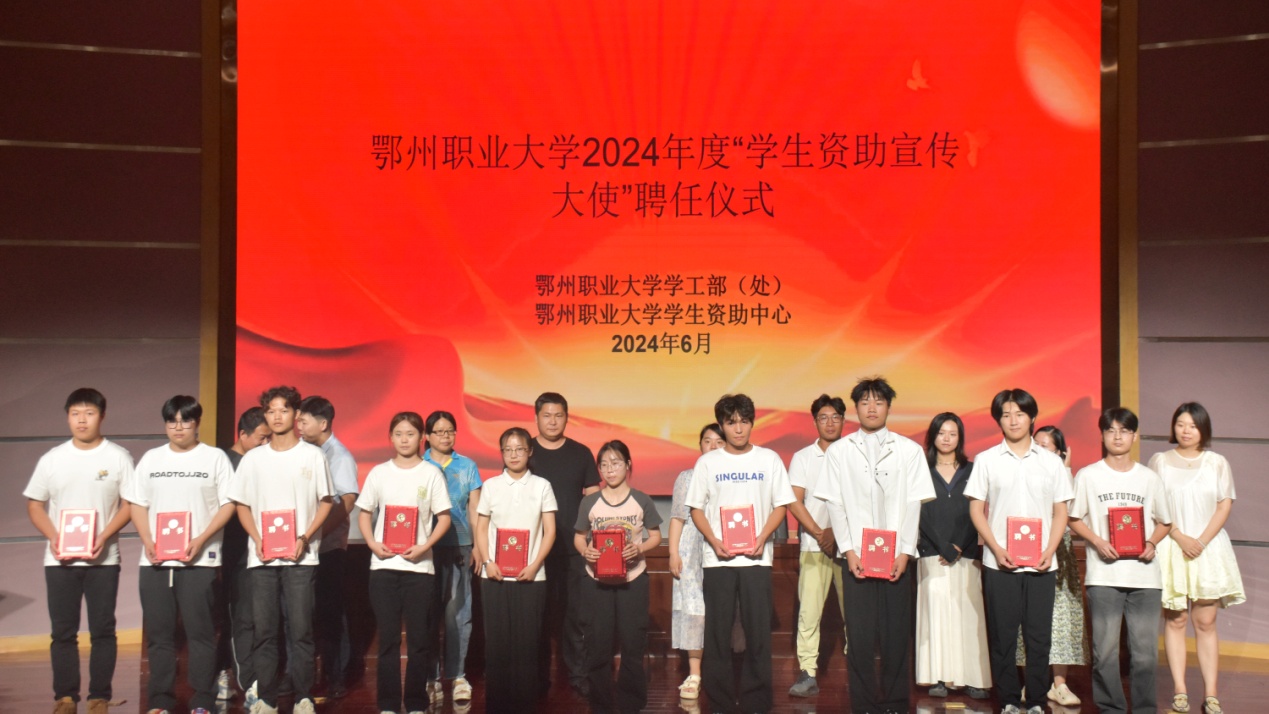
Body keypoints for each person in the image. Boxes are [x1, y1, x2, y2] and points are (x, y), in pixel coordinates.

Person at [815, 377, 935, 714]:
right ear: (856, 408)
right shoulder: (839, 451)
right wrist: (848, 550)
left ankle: (896, 703)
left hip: (897, 557)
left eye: (879, 402)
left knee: (896, 634)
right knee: (860, 635)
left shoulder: (909, 450)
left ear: (888, 407)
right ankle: (863, 703)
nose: (871, 408)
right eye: (865, 402)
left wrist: (905, 551)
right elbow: (835, 503)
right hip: (856, 558)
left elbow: (914, 504)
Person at [24, 388, 134, 714]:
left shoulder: (118, 457)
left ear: (102, 415)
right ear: (67, 417)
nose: (81, 420)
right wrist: (54, 536)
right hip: (59, 561)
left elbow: (130, 504)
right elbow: (35, 505)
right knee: (63, 632)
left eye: (89, 413)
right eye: (75, 413)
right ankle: (65, 697)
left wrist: (105, 535)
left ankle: (99, 696)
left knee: (103, 631)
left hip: (104, 560)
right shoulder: (52, 459)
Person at [228, 385, 335, 714]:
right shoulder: (253, 459)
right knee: (264, 631)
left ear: (296, 414)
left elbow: (326, 501)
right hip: (261, 559)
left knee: (301, 630)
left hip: (301, 558)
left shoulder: (312, 456)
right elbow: (241, 504)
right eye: (271, 411)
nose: (276, 416)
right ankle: (267, 698)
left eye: (283, 410)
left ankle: (303, 696)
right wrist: (257, 538)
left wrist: (305, 537)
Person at [686, 394, 795, 714]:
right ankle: (719, 702)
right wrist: (713, 540)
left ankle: (756, 701)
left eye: (744, 421)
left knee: (758, 632)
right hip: (717, 560)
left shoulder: (768, 459)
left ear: (752, 423)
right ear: (721, 424)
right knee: (717, 633)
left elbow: (781, 505)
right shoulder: (708, 463)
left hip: (757, 558)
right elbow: (696, 509)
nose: (738, 428)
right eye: (731, 422)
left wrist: (762, 537)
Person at [965, 388, 1073, 714]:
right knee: (1003, 637)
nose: (1013, 420)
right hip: (1000, 563)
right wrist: (996, 548)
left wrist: (1050, 550)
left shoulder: (1051, 462)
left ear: (1032, 417)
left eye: (1020, 414)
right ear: (998, 420)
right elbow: (975, 509)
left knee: (1039, 637)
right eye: (1006, 414)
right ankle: (1010, 700)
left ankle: (1037, 701)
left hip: (1042, 563)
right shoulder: (986, 460)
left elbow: (1061, 511)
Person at [127, 395, 236, 714]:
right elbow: (137, 503)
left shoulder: (214, 458)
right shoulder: (151, 459)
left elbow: (229, 504)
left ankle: (202, 700)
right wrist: (147, 539)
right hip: (155, 562)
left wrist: (201, 539)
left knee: (201, 634)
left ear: (197, 422)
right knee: (159, 636)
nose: (178, 427)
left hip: (200, 560)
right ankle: (160, 701)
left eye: (185, 420)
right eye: (171, 421)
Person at [1067, 407, 1171, 714]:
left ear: (1134, 436)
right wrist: (1097, 541)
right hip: (1104, 577)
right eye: (1111, 430)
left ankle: (1144, 709)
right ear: (1102, 435)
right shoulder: (1088, 475)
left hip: (1145, 578)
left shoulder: (1149, 478)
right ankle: (1110, 708)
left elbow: (1165, 521)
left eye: (1124, 431)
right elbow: (1074, 518)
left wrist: (1151, 542)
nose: (1117, 436)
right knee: (1105, 653)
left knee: (1146, 654)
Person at [1150, 402, 1245, 714]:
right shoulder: (1160, 461)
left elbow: (1224, 504)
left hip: (1208, 547)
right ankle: (1180, 690)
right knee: (1175, 619)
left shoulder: (1217, 462)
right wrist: (1178, 536)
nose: (1186, 430)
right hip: (1171, 545)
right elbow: (1155, 506)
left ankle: (1211, 694)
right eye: (1180, 424)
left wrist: (1201, 541)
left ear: (1203, 428)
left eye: (1192, 425)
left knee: (1206, 621)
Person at [356, 411, 453, 714]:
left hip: (419, 569)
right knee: (387, 640)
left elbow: (444, 518)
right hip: (383, 568)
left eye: (410, 434)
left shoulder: (431, 473)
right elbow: (364, 513)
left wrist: (425, 546)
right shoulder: (379, 473)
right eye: (398, 434)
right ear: (390, 438)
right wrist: (372, 543)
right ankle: (387, 704)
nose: (404, 439)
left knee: (419, 640)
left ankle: (415, 703)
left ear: (421, 437)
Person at [575, 440, 663, 713]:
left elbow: (656, 536)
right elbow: (579, 537)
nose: (609, 470)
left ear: (628, 465)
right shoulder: (590, 501)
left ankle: (631, 703)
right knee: (598, 644)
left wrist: (639, 548)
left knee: (633, 644)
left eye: (615, 463)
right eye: (604, 465)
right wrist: (586, 551)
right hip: (596, 583)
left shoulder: (641, 500)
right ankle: (600, 703)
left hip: (632, 581)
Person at [475, 427, 558, 713]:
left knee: (527, 644)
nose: (513, 455)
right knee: (497, 644)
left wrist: (535, 565)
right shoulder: (491, 486)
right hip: (494, 575)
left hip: (532, 577)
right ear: (501, 453)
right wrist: (488, 561)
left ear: (529, 452)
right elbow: (482, 528)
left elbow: (550, 531)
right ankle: (497, 705)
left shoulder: (542, 486)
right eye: (508, 450)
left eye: (519, 449)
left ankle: (525, 705)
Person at [527, 392, 601, 697]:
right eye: (546, 415)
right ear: (536, 418)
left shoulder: (581, 453)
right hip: (534, 550)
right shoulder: (526, 452)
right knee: (538, 616)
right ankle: (536, 677)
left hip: (573, 548)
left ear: (567, 418)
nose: (552, 421)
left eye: (558, 415)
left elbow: (594, 498)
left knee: (575, 616)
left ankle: (578, 674)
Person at [914, 412, 991, 700]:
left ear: (960, 437)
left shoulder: (973, 470)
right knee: (935, 615)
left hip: (966, 552)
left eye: (953, 433)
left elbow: (978, 511)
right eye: (941, 432)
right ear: (932, 436)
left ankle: (972, 678)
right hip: (931, 552)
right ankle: (937, 677)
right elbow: (918, 511)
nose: (946, 438)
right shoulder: (921, 469)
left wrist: (958, 544)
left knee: (967, 616)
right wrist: (942, 545)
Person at [1017, 425, 1088, 707]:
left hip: (1059, 551)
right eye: (1036, 444)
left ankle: (1059, 684)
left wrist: (1065, 471)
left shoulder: (1065, 475)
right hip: (1027, 546)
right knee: (1027, 616)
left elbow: (1070, 513)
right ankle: (1030, 683)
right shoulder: (1022, 471)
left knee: (1062, 616)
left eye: (1045, 446)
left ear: (1059, 452)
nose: (1038, 449)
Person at [296, 395, 360, 699]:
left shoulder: (340, 456)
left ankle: (336, 676)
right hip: (302, 547)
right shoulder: (302, 452)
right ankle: (303, 676)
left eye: (303, 420)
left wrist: (317, 533)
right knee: (304, 614)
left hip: (328, 548)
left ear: (323, 424)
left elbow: (347, 501)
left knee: (330, 613)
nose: (298, 425)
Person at [785, 394, 847, 698]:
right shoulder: (802, 457)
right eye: (824, 417)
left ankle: (857, 669)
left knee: (854, 613)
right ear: (815, 422)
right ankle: (807, 672)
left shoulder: (853, 453)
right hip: (813, 546)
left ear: (844, 420)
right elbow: (794, 501)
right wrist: (821, 533)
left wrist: (837, 533)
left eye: (836, 417)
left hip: (850, 548)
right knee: (808, 613)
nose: (830, 423)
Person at [422, 410, 482, 704]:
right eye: (439, 431)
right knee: (428, 614)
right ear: (427, 436)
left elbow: (475, 510)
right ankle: (431, 678)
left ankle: (458, 676)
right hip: (425, 550)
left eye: (450, 431)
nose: (446, 436)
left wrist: (478, 546)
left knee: (458, 614)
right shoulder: (419, 465)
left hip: (459, 547)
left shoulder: (467, 466)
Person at [668, 424, 725, 700]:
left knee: (723, 606)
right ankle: (694, 673)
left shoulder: (731, 475)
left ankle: (722, 669)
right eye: (707, 441)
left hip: (724, 546)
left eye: (719, 441)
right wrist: (673, 553)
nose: (713, 446)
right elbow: (677, 518)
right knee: (694, 607)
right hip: (691, 549)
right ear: (700, 445)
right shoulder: (687, 477)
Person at [218, 406, 270, 706]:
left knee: (257, 619)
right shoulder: (225, 462)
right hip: (233, 554)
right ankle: (244, 680)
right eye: (262, 438)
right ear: (242, 435)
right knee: (239, 619)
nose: (266, 444)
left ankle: (249, 677)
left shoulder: (263, 461)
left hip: (261, 552)